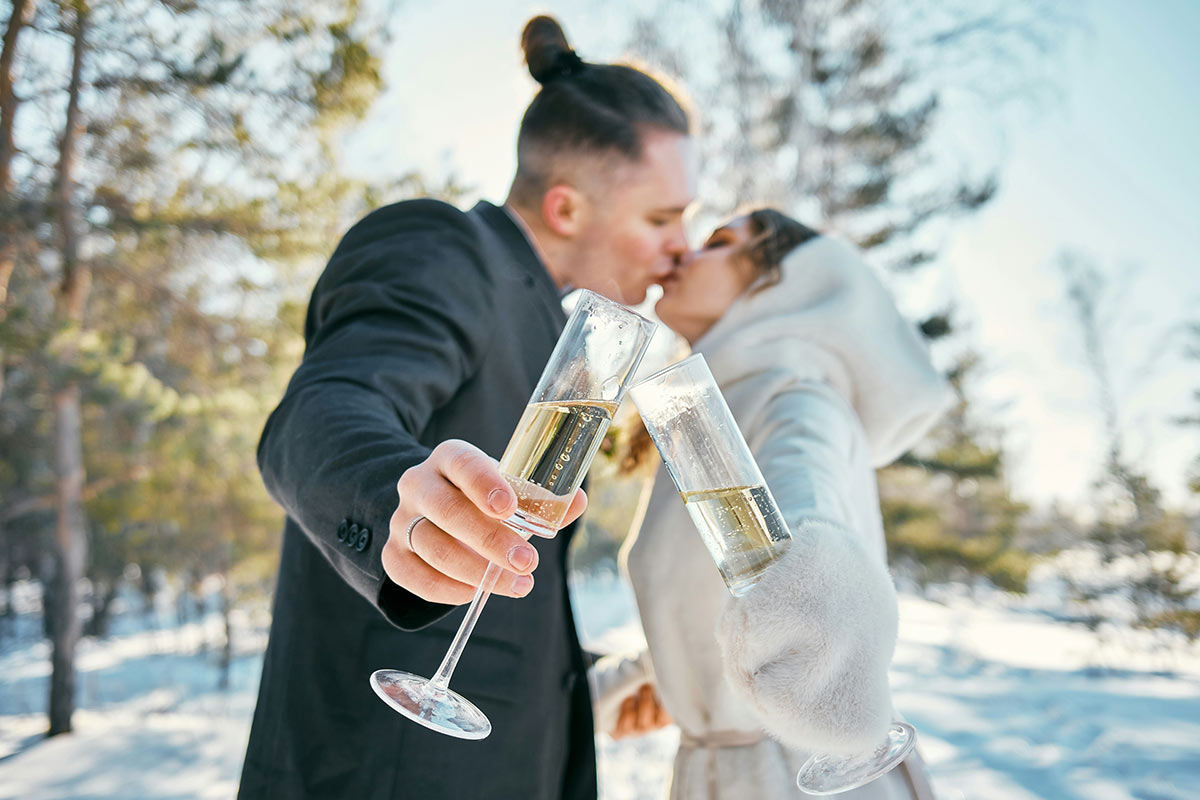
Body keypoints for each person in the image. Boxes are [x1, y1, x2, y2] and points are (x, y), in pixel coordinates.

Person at [238, 16, 696, 800]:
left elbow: (505, 596)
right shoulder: (442, 248)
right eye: (662, 217)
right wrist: (399, 509)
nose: (682, 245)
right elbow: (321, 410)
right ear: (566, 209)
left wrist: (581, 684)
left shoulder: (562, 334)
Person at [591, 210, 952, 799]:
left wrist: (824, 633)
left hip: (801, 779)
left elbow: (810, 545)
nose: (683, 254)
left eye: (719, 242)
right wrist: (647, 684)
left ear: (786, 280)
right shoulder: (715, 412)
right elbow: (726, 599)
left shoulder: (794, 396)